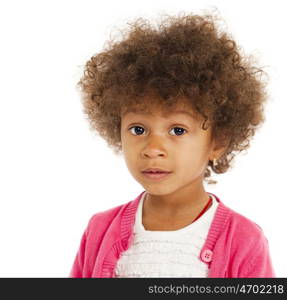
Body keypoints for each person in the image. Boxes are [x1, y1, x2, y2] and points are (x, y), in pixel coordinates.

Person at [70, 11, 275, 278]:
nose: (153, 148)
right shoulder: (99, 230)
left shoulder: (244, 241)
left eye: (177, 130)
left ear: (218, 141)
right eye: (138, 129)